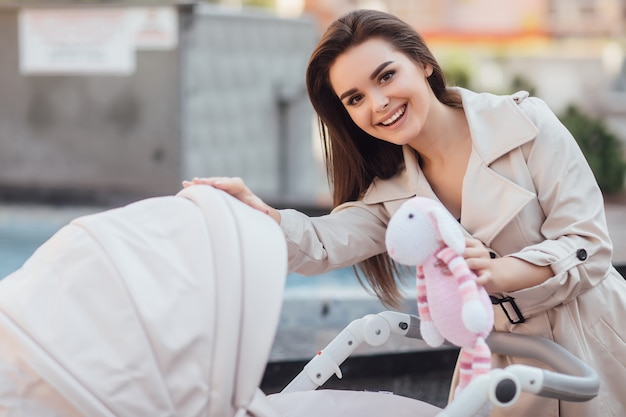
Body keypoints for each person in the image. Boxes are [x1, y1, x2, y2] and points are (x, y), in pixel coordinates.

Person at [183, 9, 626, 417]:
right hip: (503, 356)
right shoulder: (392, 194)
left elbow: (589, 245)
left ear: (423, 63)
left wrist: (504, 271)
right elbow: (320, 244)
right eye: (354, 99)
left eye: (387, 76)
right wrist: (262, 216)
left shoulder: (524, 125)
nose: (377, 104)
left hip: (597, 334)